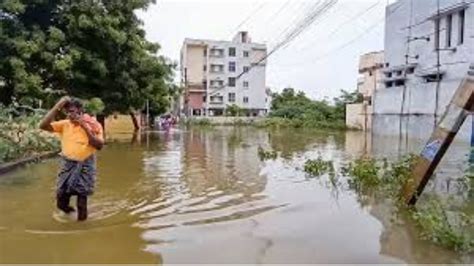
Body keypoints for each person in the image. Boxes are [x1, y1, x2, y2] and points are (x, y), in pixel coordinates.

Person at [39, 96, 104, 221]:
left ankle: (81, 229)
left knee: (81, 203)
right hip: (67, 165)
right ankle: (70, 213)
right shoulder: (64, 125)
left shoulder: (94, 125)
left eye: (72, 111)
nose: (69, 114)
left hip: (86, 165)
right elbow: (43, 125)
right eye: (67, 112)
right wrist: (58, 105)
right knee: (61, 203)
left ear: (80, 111)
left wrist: (84, 126)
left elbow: (99, 145)